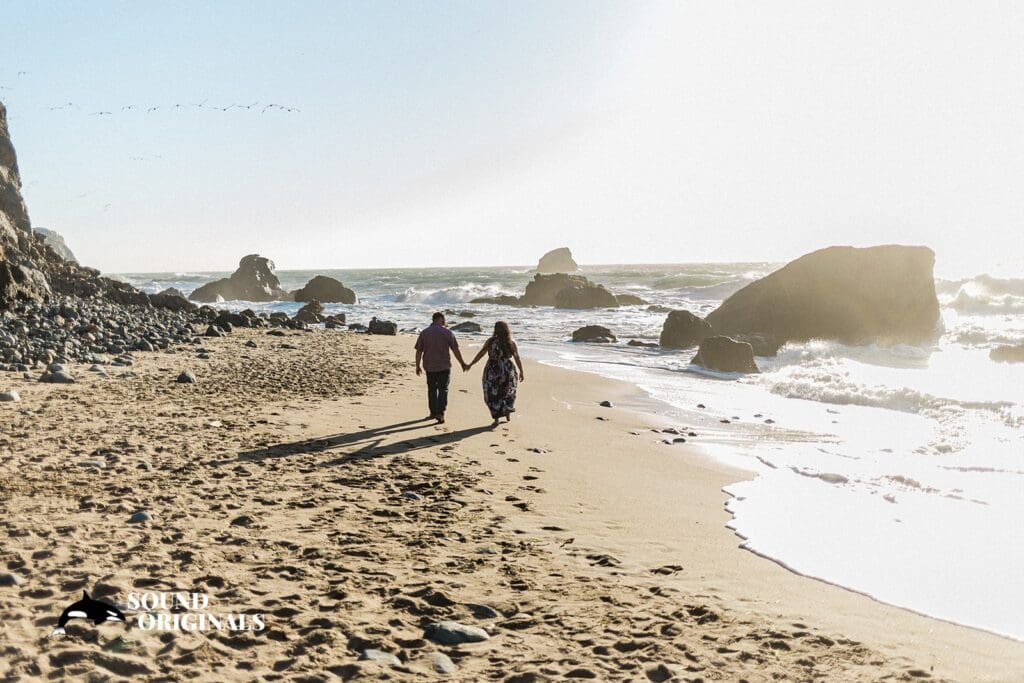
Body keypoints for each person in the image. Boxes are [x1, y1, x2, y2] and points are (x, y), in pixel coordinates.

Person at [467, 321, 525, 428]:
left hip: (493, 370)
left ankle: (497, 418)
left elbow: (481, 353)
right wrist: (521, 371)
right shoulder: (511, 343)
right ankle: (507, 412)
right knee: (507, 391)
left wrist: (471, 363)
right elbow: (517, 358)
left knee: (491, 394)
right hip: (508, 370)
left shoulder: (491, 341)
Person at [414, 312, 468, 423]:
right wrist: (462, 363)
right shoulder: (447, 332)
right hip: (444, 366)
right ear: (440, 319)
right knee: (443, 389)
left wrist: (417, 365)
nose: (445, 321)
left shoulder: (424, 333)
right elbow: (455, 350)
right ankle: (440, 413)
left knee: (432, 390)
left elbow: (419, 351)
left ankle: (433, 412)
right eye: (444, 319)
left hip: (429, 366)